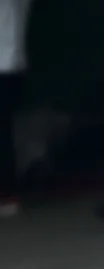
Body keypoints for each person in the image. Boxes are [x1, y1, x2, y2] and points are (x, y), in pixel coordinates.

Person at [0, 0, 33, 216]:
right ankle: (7, 193)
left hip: (6, 63)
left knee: (2, 130)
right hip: (9, 63)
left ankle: (7, 194)